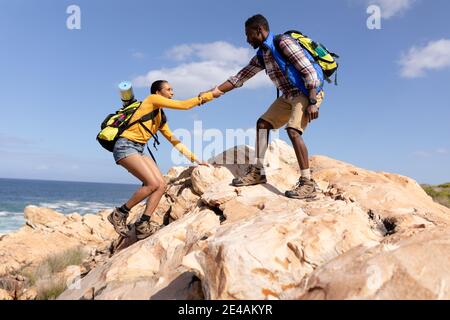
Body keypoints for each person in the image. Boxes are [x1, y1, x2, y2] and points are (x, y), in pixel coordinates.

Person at [212, 14, 325, 200]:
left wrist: (312, 102)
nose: (247, 40)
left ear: (259, 30)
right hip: (288, 95)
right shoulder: (262, 55)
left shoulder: (284, 43)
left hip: (307, 92)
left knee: (293, 130)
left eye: (248, 35)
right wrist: (214, 91)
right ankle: (258, 172)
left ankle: (307, 182)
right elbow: (240, 78)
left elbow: (310, 72)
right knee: (263, 124)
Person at [108, 80, 222, 240]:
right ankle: (119, 213)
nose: (172, 93)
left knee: (161, 185)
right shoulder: (151, 100)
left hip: (138, 149)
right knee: (152, 184)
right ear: (157, 92)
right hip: (125, 146)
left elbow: (173, 140)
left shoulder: (160, 117)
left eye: (172, 90)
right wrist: (210, 96)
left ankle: (142, 224)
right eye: (168, 90)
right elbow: (184, 105)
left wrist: (196, 159)